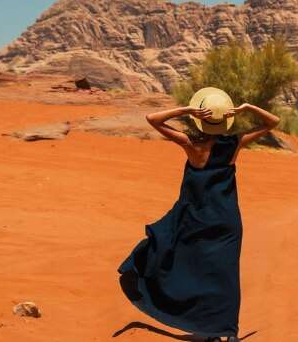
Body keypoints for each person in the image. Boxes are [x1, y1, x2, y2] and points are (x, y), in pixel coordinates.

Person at [117, 86, 280, 342]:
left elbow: (152, 119)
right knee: (225, 277)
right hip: (226, 220)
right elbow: (274, 122)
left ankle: (208, 329)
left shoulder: (192, 145)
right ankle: (229, 331)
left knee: (193, 269)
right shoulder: (234, 144)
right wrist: (247, 107)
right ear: (225, 119)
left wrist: (186, 109)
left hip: (195, 218)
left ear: (200, 119)